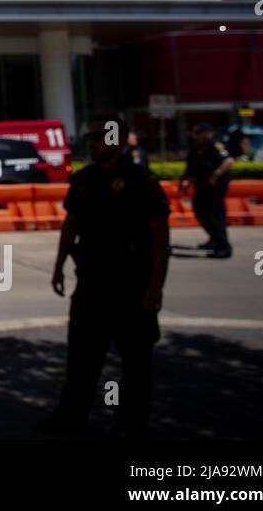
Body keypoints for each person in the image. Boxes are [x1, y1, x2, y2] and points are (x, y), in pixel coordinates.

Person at [42, 115, 169, 438]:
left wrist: (155, 288)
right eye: (92, 137)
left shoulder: (142, 182)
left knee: (136, 365)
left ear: (116, 139)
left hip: (132, 289)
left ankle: (131, 426)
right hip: (91, 287)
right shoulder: (85, 180)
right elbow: (71, 223)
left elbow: (160, 240)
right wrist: (58, 266)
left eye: (99, 137)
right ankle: (70, 420)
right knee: (82, 361)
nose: (93, 142)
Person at [181, 123, 234, 258]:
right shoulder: (195, 148)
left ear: (206, 134)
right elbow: (191, 168)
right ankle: (214, 239)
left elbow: (228, 161)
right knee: (200, 210)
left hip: (215, 187)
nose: (194, 136)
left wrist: (216, 174)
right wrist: (186, 181)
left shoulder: (215, 145)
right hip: (202, 185)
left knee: (215, 214)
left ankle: (223, 246)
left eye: (198, 133)